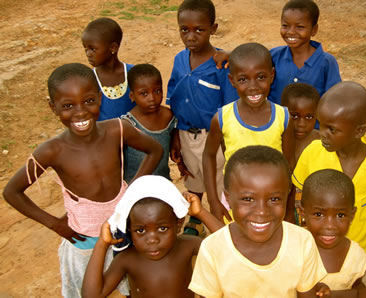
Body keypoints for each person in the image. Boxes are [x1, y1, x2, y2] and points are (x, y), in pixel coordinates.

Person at [2, 63, 163, 297]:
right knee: (85, 289)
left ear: (100, 98)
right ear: (53, 107)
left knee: (130, 280)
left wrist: (132, 193)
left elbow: (155, 150)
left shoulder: (117, 129)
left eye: (89, 101)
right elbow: (12, 192)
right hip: (84, 238)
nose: (80, 112)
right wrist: (55, 224)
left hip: (122, 227)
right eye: (68, 106)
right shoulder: (51, 151)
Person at [292, 81, 366, 285]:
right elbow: (298, 189)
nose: (322, 134)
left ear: (358, 131)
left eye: (332, 130)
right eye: (321, 125)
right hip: (318, 250)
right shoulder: (312, 153)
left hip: (365, 254)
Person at [190, 145, 327, 297]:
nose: (262, 211)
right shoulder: (212, 249)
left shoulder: (302, 242)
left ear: (287, 196)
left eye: (274, 199)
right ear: (228, 198)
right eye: (248, 199)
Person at [81, 175, 223, 298]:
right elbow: (91, 295)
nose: (152, 239)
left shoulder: (188, 245)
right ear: (129, 229)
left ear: (178, 224)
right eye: (140, 231)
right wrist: (102, 243)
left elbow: (229, 247)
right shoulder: (127, 259)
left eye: (162, 228)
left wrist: (201, 213)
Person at [167, 0, 238, 235]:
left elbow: (229, 106)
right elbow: (174, 95)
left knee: (219, 181)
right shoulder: (179, 59)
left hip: (214, 138)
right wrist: (175, 134)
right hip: (187, 133)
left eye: (199, 29)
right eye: (184, 30)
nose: (191, 36)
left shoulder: (221, 64)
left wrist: (227, 143)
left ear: (213, 28)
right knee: (192, 177)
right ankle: (196, 220)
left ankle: (221, 222)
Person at [203, 42, 294, 222]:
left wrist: (289, 210)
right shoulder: (222, 118)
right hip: (235, 202)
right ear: (232, 80)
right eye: (243, 79)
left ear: (272, 75)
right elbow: (208, 156)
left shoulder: (283, 118)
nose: (253, 86)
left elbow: (289, 165)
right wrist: (213, 200)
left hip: (272, 202)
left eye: (260, 77)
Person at [300, 169, 366, 290]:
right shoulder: (292, 248)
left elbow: (356, 289)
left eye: (340, 215)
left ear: (352, 215)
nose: (330, 225)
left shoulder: (356, 256)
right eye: (318, 214)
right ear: (303, 213)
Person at [268, 0, 341, 105]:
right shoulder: (273, 56)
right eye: (285, 25)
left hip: (313, 122)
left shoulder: (327, 62)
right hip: (279, 121)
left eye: (300, 27)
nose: (291, 31)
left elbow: (334, 100)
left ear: (314, 30)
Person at [121, 64, 176, 183]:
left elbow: (174, 132)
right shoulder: (128, 124)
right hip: (135, 186)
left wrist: (176, 144)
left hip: (162, 182)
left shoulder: (168, 115)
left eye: (157, 91)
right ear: (132, 96)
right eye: (144, 94)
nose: (152, 98)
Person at [81, 17, 136, 121]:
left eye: (93, 49)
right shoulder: (89, 80)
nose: (88, 54)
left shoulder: (134, 74)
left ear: (113, 48)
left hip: (134, 135)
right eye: (86, 49)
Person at [281, 82, 320, 164]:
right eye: (294, 116)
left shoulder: (322, 142)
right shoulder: (275, 139)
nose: (301, 124)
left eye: (309, 117)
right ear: (282, 111)